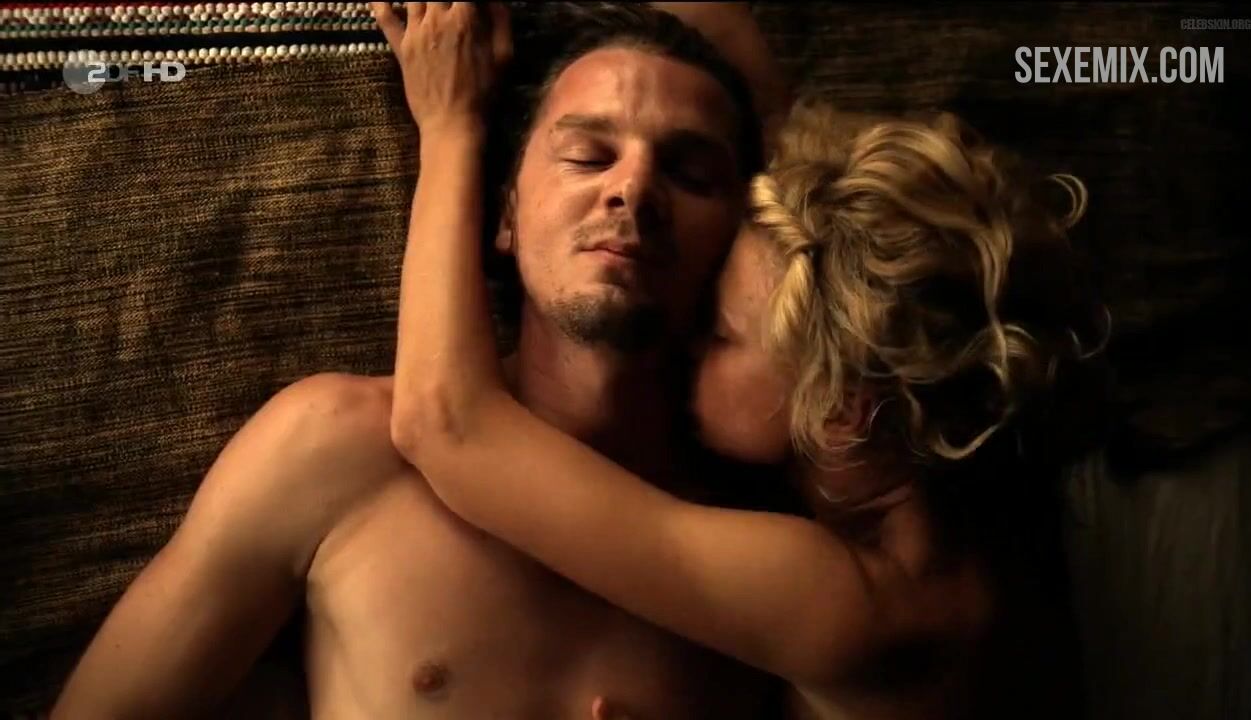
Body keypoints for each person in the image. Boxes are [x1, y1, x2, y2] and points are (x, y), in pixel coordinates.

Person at [51, 3, 793, 718]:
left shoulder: (773, 546)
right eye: (587, 156)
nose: (632, 188)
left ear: (741, 235)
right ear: (504, 215)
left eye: (691, 174)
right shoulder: (334, 448)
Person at [387, 4, 1111, 719]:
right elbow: (762, 105)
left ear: (842, 407)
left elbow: (449, 428)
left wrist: (449, 121)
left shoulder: (849, 603)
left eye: (720, 334)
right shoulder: (969, 512)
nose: (687, 342)